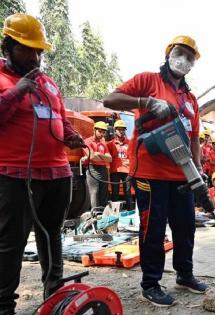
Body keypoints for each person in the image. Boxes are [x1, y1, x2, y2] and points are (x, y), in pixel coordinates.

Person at [103, 35, 207, 306]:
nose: (183, 59)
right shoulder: (147, 81)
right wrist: (147, 103)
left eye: (190, 57)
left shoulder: (191, 99)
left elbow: (194, 137)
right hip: (151, 172)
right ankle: (150, 283)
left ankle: (185, 274)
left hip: (182, 173)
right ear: (169, 53)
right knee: (153, 228)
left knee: (185, 226)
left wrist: (198, 170)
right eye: (180, 53)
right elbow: (110, 100)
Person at [0, 13, 85, 314]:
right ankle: (4, 305)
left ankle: (55, 296)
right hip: (16, 176)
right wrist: (18, 90)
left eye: (39, 50)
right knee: (11, 244)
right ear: (8, 46)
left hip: (57, 173)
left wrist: (72, 136)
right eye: (27, 48)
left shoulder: (48, 84)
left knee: (51, 237)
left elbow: (59, 119)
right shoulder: (3, 79)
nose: (36, 56)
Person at [83, 121, 112, 209]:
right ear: (94, 130)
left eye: (104, 132)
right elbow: (92, 157)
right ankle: (95, 213)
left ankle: (103, 213)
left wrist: (98, 154)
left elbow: (110, 159)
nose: (102, 134)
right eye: (100, 131)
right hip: (92, 168)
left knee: (104, 191)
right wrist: (103, 157)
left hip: (103, 169)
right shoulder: (87, 141)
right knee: (94, 192)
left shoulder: (103, 143)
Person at [107, 119, 132, 210]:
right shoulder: (110, 144)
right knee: (115, 192)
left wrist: (130, 162)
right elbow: (106, 156)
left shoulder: (130, 143)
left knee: (127, 192)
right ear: (115, 130)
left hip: (127, 171)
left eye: (123, 129)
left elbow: (133, 156)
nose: (121, 131)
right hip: (115, 171)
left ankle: (130, 212)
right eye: (119, 129)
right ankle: (114, 214)